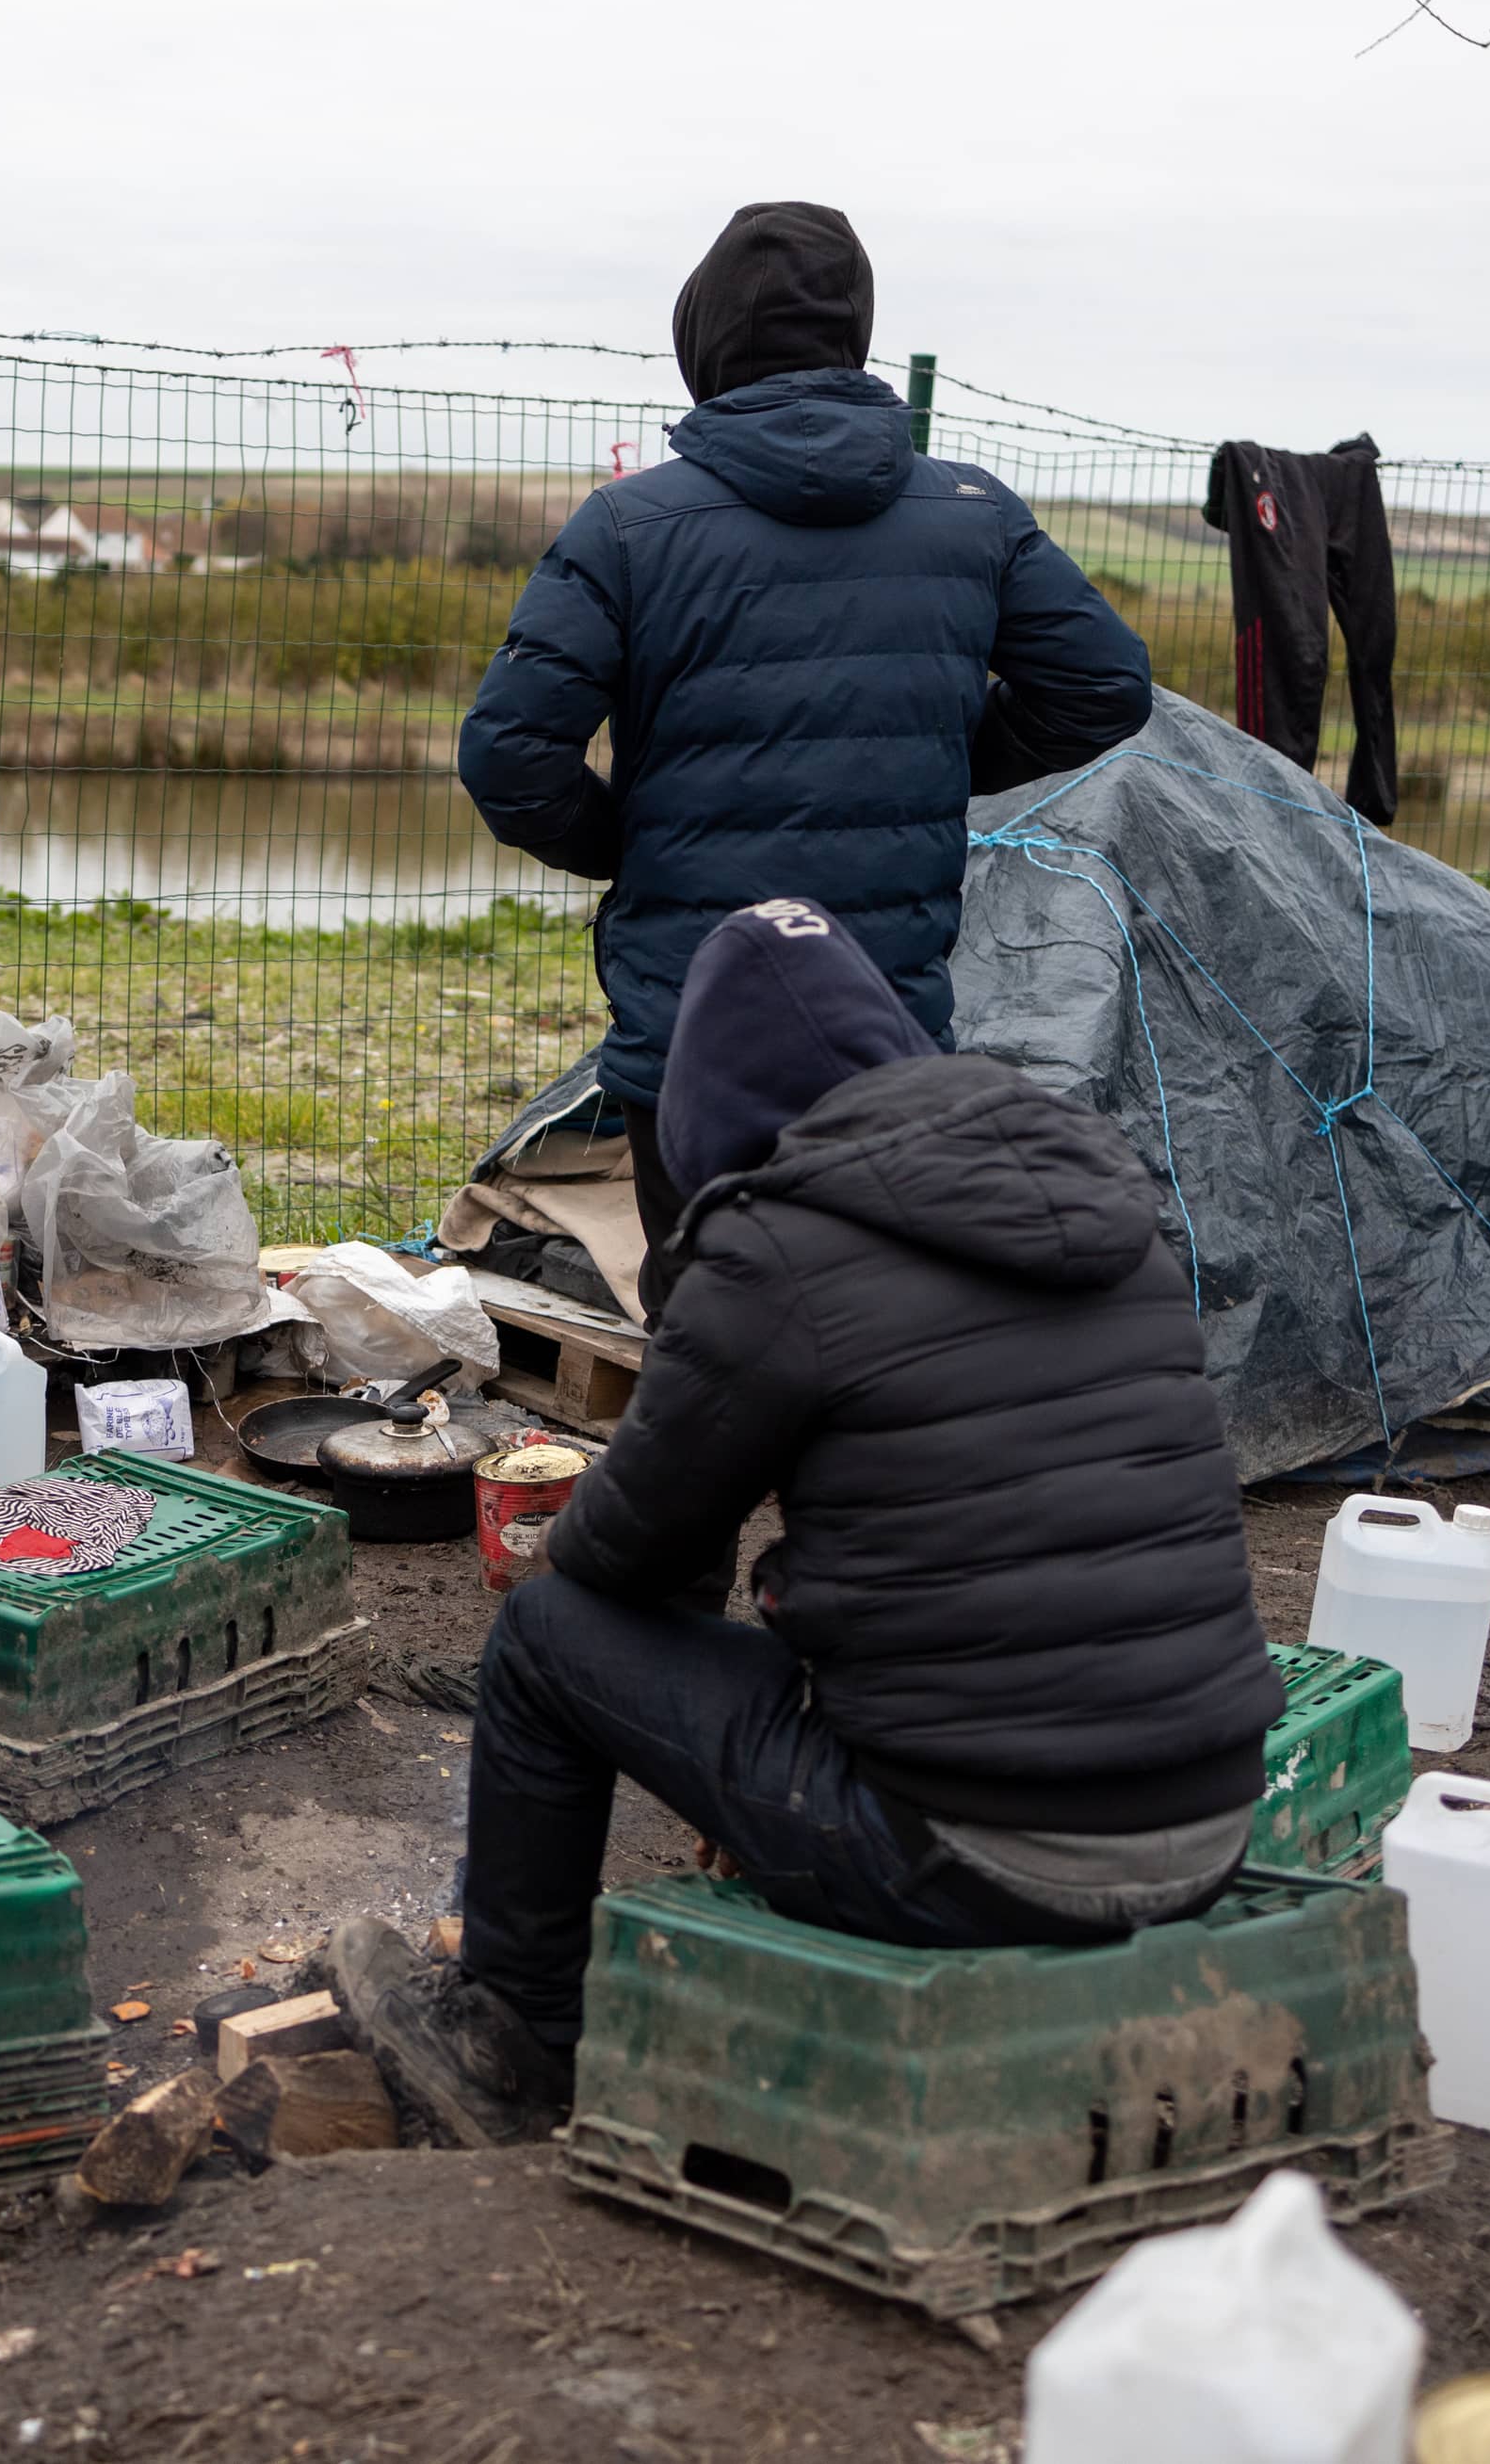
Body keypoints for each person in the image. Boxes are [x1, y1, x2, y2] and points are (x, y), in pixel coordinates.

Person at [331, 898, 1286, 2147]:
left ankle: (507, 2043)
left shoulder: (778, 1252)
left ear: (717, 1109)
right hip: (1210, 1817)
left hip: (979, 1857)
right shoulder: (1109, 1214)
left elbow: (625, 1549)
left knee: (548, 1636)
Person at [457, 201, 1155, 1315]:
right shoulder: (973, 514)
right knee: (877, 1306)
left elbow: (509, 754)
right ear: (856, 337)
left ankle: (715, 1482)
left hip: (690, 1017)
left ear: (704, 342)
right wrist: (932, 761)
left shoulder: (630, 527)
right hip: (884, 1013)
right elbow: (1104, 688)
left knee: (707, 1322)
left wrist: (626, 842)